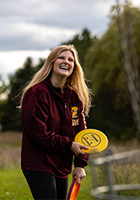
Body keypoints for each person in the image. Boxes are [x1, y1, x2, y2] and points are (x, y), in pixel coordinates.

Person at [20, 44, 92, 200]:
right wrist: (69, 145)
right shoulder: (37, 93)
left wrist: (80, 164)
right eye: (61, 57)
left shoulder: (74, 97)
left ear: (74, 66)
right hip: (38, 164)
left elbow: (81, 132)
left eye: (70, 59)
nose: (66, 61)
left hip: (62, 165)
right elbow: (38, 134)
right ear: (52, 62)